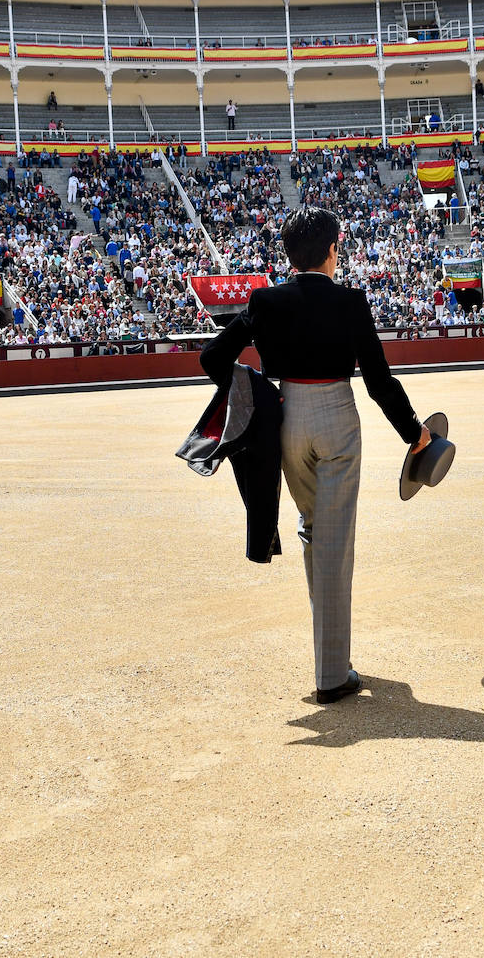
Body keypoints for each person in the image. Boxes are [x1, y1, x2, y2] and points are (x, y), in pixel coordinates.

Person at [199, 206, 431, 704]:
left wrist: (258, 395)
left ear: (288, 253)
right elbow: (378, 381)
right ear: (332, 249)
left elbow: (212, 358)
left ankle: (333, 657)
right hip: (337, 420)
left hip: (288, 420)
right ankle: (331, 673)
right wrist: (414, 433)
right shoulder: (351, 302)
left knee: (313, 530)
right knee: (334, 542)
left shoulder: (265, 300)